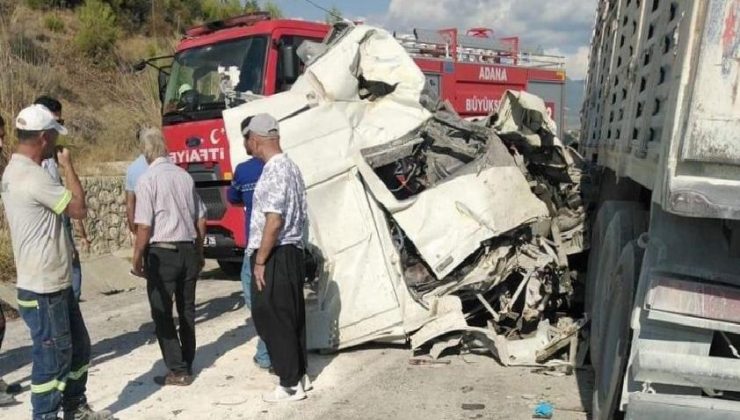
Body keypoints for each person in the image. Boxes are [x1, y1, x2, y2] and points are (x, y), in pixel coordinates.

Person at [2, 104, 112, 419]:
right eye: (54, 136)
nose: (56, 143)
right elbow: (78, 208)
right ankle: (46, 414)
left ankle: (75, 407)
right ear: (43, 137)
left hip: (51, 281)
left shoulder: (15, 169)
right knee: (52, 358)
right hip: (44, 287)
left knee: (78, 348)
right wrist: (68, 168)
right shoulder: (33, 177)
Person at [132, 128, 207, 386]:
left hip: (162, 252)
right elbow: (201, 218)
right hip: (187, 249)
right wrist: (199, 251)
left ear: (146, 151)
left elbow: (144, 226)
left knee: (162, 312)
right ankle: (187, 359)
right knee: (187, 310)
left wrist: (136, 258)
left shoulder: (147, 180)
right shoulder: (184, 177)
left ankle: (177, 369)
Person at [245, 113, 311, 403]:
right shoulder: (291, 167)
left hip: (275, 252)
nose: (246, 144)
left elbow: (274, 220)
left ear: (256, 140)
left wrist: (260, 260)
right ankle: (299, 374)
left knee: (271, 316)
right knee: (291, 315)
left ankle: (288, 383)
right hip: (291, 251)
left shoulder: (274, 170)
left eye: (247, 138)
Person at [35, 96, 91, 301]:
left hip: (61, 222)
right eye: (57, 123)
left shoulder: (50, 158)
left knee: (74, 270)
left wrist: (78, 233)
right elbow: (74, 206)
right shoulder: (36, 164)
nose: (59, 130)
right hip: (51, 229)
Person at [226, 117, 271, 370]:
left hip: (255, 247)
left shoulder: (243, 171)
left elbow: (232, 197)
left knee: (254, 299)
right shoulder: (278, 165)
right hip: (281, 243)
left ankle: (266, 352)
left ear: (252, 139)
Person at [125, 129, 149, 235]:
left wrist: (133, 229)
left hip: (142, 225)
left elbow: (130, 204)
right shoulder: (169, 164)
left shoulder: (132, 169)